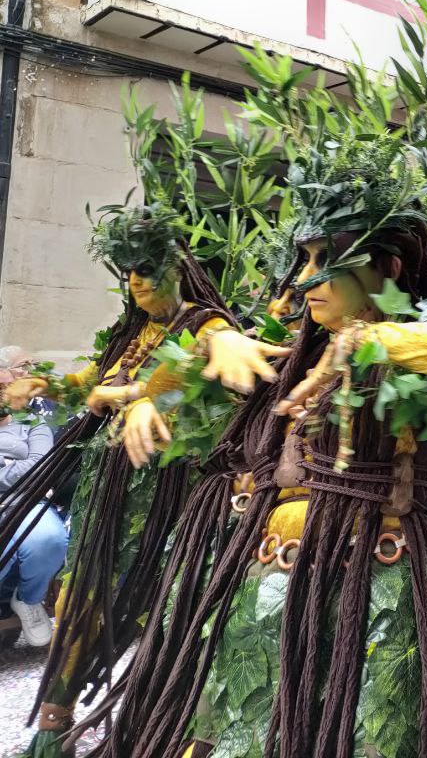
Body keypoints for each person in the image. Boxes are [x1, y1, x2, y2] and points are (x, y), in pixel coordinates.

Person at [97, 139, 427, 758]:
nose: (306, 277)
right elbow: (181, 386)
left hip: (376, 584)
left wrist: (365, 342)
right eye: (304, 258)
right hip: (269, 580)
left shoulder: (420, 355)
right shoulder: (292, 356)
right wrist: (199, 356)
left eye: (326, 260)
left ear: (390, 268)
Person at [0, 205, 244, 758]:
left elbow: (211, 374)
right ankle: (55, 719)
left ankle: (169, 723)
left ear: (178, 268)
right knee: (81, 597)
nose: (136, 281)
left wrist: (136, 395)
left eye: (148, 269)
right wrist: (46, 384)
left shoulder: (207, 327)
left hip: (170, 498)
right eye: (129, 271)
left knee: (169, 605)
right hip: (105, 490)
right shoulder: (131, 332)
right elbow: (88, 381)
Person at [0, 357, 64, 649]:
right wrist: (15, 465)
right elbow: (28, 466)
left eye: (6, 385)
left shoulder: (33, 423)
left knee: (49, 540)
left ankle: (28, 599)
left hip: (27, 503)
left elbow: (40, 467)